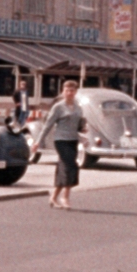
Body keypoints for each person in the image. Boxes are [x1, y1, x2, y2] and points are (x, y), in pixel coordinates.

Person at [31, 80, 86, 210]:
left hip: (73, 140)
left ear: (75, 92)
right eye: (67, 91)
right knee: (68, 166)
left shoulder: (78, 107)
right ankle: (65, 197)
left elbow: (79, 125)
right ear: (63, 92)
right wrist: (38, 141)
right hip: (61, 140)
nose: (69, 93)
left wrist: (83, 132)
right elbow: (48, 125)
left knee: (65, 168)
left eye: (72, 91)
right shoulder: (59, 107)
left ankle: (53, 197)